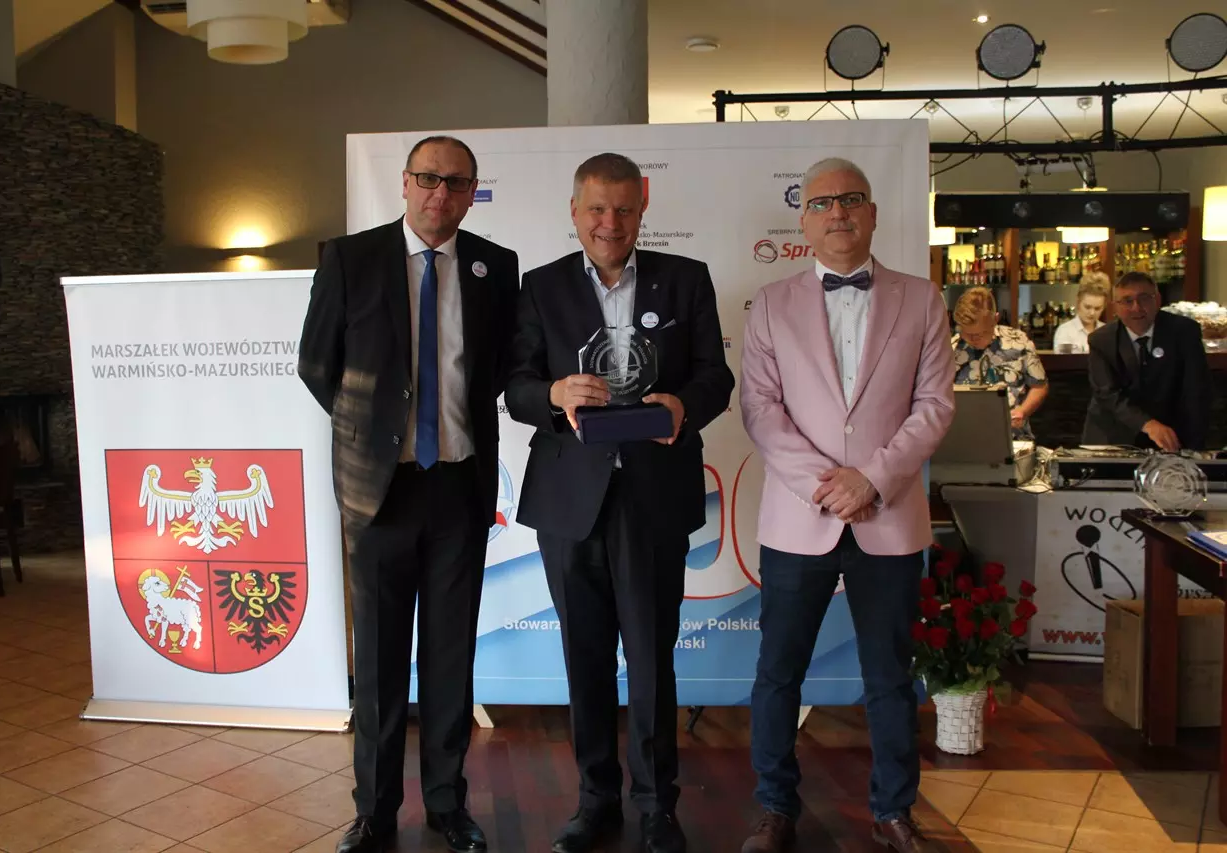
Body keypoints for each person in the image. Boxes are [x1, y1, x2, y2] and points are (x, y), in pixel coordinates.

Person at [505, 152, 734, 853]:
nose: (610, 223)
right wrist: (554, 393)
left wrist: (682, 407)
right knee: (585, 658)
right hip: (569, 500)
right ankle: (595, 799)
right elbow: (515, 385)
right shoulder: (541, 285)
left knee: (652, 658)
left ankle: (657, 804)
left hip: (653, 496)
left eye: (624, 209)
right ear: (575, 211)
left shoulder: (686, 278)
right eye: (597, 209)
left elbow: (716, 377)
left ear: (643, 207)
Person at [297, 135, 519, 853]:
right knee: (380, 662)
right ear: (404, 182)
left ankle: (449, 806)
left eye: (456, 183)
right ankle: (374, 810)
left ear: (472, 193)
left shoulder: (495, 266)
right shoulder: (350, 258)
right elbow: (317, 364)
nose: (439, 194)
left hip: (458, 487)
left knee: (451, 657)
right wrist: (376, 432)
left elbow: (497, 370)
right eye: (428, 178)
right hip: (379, 492)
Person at [738, 157, 955, 853]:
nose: (838, 212)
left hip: (888, 518)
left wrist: (874, 479)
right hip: (798, 519)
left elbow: (935, 405)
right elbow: (760, 409)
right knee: (778, 673)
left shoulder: (923, 299)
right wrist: (827, 485)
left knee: (890, 676)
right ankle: (774, 808)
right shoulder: (770, 303)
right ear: (803, 220)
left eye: (852, 199)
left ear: (872, 213)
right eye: (823, 202)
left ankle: (894, 811)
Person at [1082, 270, 1211, 451]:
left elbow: (1195, 391)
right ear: (1115, 307)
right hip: (1112, 437)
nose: (1136, 307)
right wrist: (1148, 424)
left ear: (1157, 300)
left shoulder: (1184, 331)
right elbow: (1107, 394)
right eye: (1127, 301)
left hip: (1171, 438)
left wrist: (1193, 447)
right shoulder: (1101, 340)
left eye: (1144, 298)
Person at [951, 286, 1049, 440]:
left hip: (1013, 437)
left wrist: (1023, 411)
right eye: (967, 334)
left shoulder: (1019, 341)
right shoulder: (950, 350)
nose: (973, 339)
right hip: (965, 438)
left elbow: (1040, 386)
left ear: (995, 319)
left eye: (981, 333)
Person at [1053, 272, 1110, 353]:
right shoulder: (1065, 332)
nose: (1092, 313)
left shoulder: (1108, 332)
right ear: (1078, 301)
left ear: (1104, 306)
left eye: (1097, 308)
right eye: (1087, 307)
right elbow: (1064, 360)